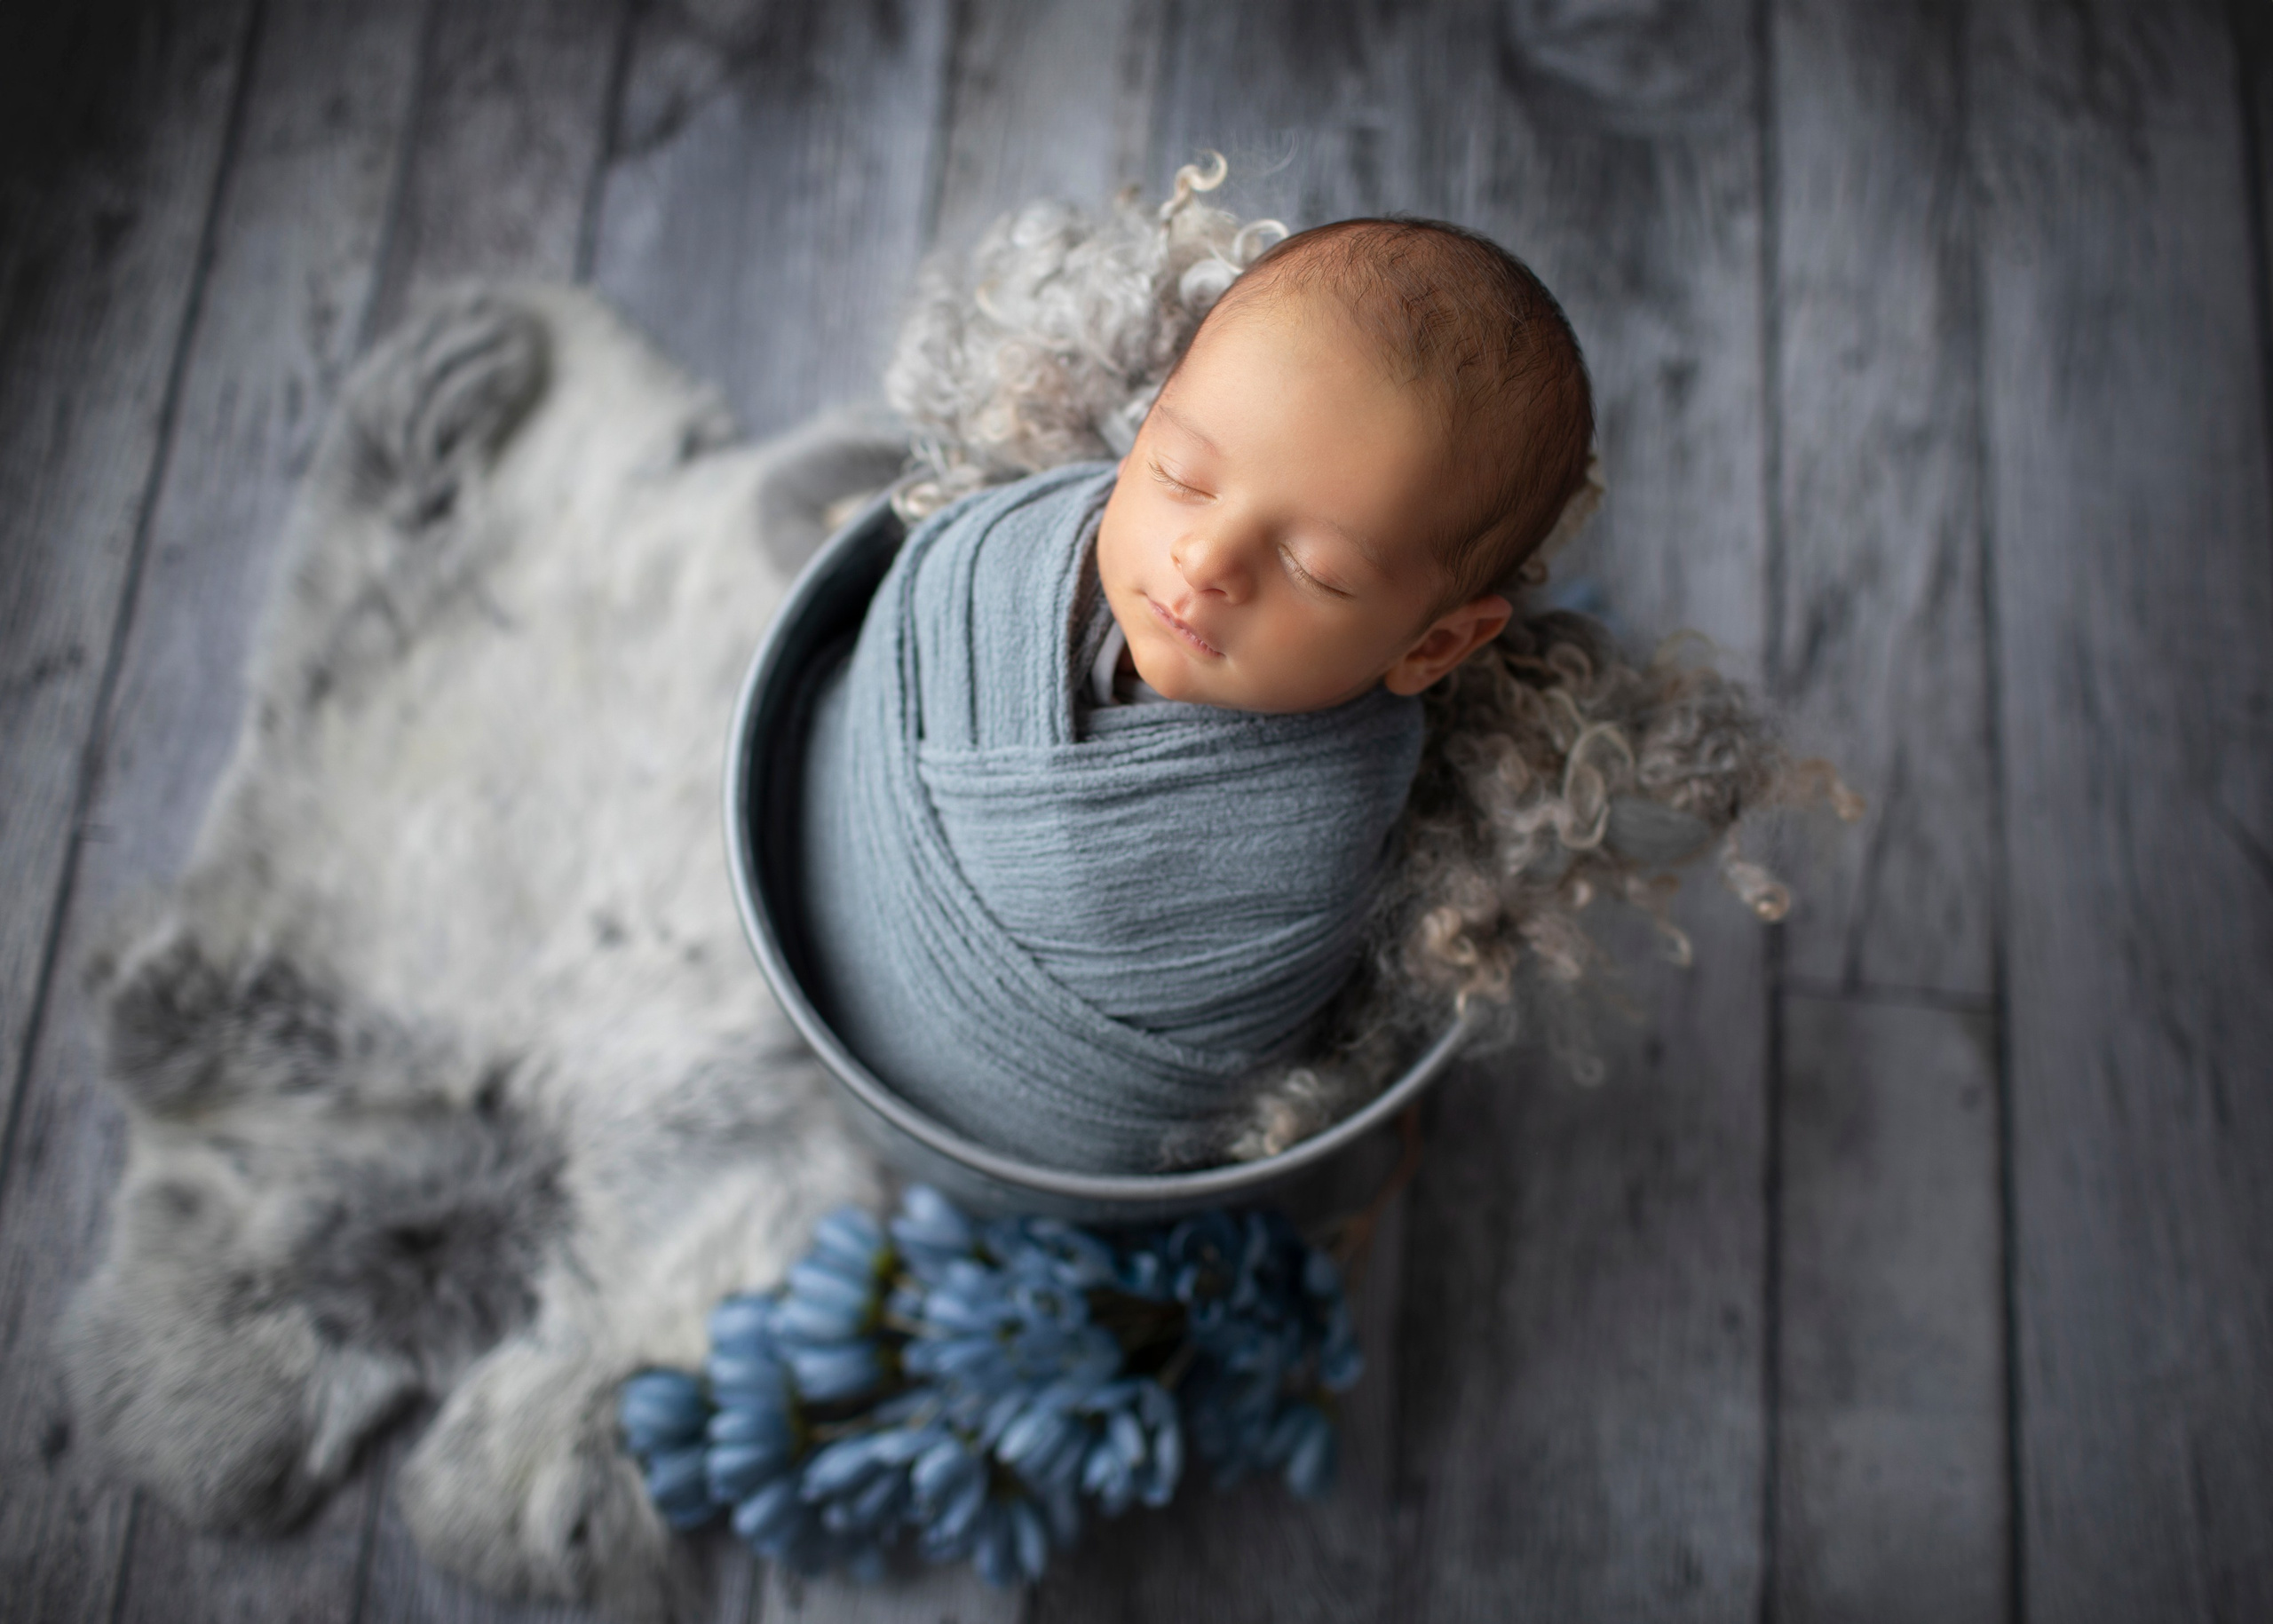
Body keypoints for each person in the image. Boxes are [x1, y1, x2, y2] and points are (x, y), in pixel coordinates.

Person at [798, 216, 1596, 1173]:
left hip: (1029, 1141)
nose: (1207, 559)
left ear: (1435, 644)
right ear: (1143, 426)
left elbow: (1241, 1061)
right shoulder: (990, 558)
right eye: (1179, 474)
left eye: (1318, 569)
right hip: (799, 885)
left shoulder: (1322, 829)